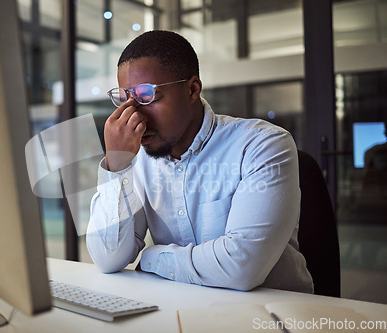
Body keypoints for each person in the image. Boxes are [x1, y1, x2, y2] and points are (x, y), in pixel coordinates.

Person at [86, 30, 313, 293]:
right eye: (125, 98)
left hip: (271, 316)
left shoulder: (263, 145)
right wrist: (117, 165)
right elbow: (107, 258)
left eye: (146, 95)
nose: (133, 115)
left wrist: (150, 258)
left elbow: (242, 269)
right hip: (183, 310)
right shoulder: (136, 159)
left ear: (192, 89)